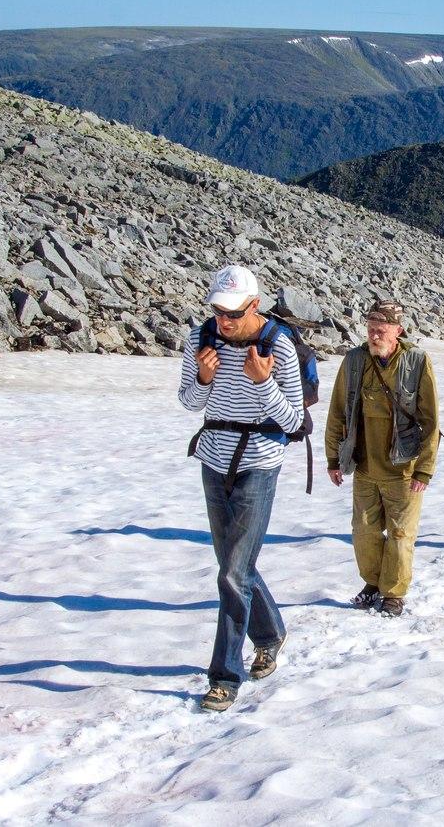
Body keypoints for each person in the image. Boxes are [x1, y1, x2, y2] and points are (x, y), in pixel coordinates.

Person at [178, 265, 304, 712]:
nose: (223, 320)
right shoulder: (202, 339)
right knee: (234, 564)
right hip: (214, 458)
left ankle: (224, 676)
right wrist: (204, 379)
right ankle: (270, 634)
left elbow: (294, 422)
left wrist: (263, 382)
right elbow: (189, 402)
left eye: (232, 312)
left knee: (232, 572)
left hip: (259, 464)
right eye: (217, 310)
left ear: (254, 305)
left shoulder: (277, 345)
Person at [325, 300, 439, 618]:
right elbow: (337, 412)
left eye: (382, 328)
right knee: (364, 532)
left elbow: (431, 420)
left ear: (397, 330)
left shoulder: (416, 361)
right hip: (364, 466)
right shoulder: (354, 360)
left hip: (405, 468)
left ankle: (394, 592)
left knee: (401, 534)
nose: (375, 334)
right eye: (371, 328)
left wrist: (425, 469)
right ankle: (372, 584)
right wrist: (334, 458)